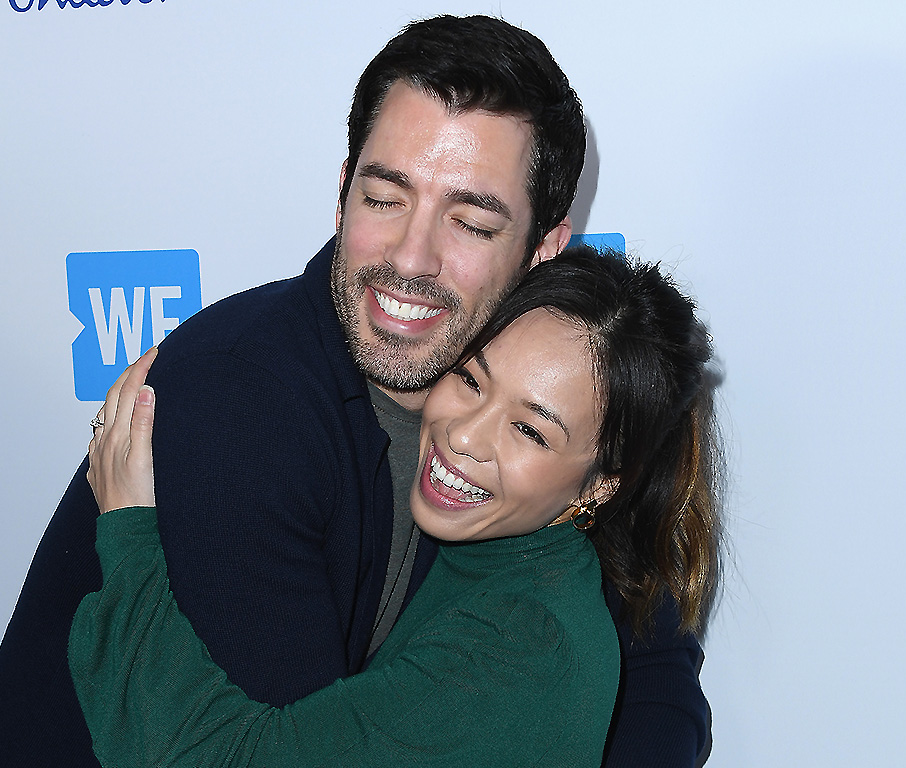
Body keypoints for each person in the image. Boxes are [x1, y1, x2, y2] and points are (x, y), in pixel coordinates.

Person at [0, 15, 711, 768]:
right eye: (385, 198)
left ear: (543, 249)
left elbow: (653, 666)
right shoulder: (241, 400)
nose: (412, 257)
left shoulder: (542, 405)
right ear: (343, 192)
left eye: (471, 223)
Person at [69, 247, 722, 767]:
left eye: (530, 429)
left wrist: (129, 537)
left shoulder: (516, 649)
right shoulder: (505, 561)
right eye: (470, 379)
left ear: (598, 486)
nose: (466, 435)